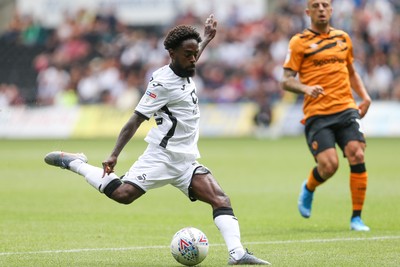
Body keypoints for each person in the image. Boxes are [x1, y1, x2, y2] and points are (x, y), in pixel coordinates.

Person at [44, 14, 270, 265]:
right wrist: (115, 153)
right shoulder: (162, 83)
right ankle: (75, 162)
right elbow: (135, 120)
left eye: (196, 53)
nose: (194, 58)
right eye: (188, 54)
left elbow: (193, 55)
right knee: (123, 195)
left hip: (186, 160)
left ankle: (237, 254)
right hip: (161, 156)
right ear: (172, 53)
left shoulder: (186, 66)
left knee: (220, 199)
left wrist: (205, 39)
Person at [281, 0, 372, 231]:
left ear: (331, 10)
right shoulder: (299, 42)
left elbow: (351, 71)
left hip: (346, 108)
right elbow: (286, 80)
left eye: (325, 5)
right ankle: (309, 188)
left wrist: (365, 96)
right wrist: (305, 88)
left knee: (357, 153)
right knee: (329, 165)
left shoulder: (343, 38)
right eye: (316, 5)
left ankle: (356, 218)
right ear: (308, 11)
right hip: (317, 113)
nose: (321, 8)